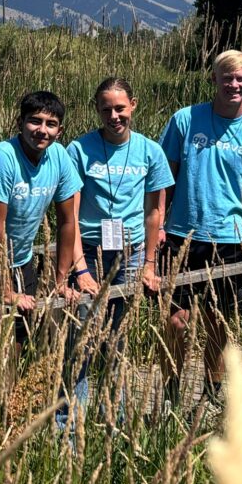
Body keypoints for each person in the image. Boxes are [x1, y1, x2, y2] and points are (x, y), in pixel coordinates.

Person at [158, 49, 242, 407]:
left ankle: (210, 392)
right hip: (181, 236)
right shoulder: (185, 120)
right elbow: (164, 180)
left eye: (240, 78)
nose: (233, 85)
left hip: (229, 241)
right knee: (175, 322)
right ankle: (171, 391)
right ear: (214, 79)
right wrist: (159, 226)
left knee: (218, 323)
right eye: (227, 78)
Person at [63, 77, 174, 415]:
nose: (114, 116)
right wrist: (80, 268)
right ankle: (71, 416)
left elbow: (154, 213)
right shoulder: (79, 150)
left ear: (133, 106)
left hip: (131, 252)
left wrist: (149, 264)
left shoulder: (150, 151)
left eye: (120, 108)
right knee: (82, 333)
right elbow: (69, 215)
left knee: (118, 333)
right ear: (97, 110)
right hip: (89, 249)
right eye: (106, 109)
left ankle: (115, 411)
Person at [0, 91, 85, 347]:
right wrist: (7, 290)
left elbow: (67, 220)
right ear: (20, 123)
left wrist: (60, 280)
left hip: (22, 259)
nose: (42, 130)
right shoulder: (2, 157)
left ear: (60, 131)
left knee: (22, 335)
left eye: (51, 124)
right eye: (35, 121)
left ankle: (13, 376)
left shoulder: (59, 156)